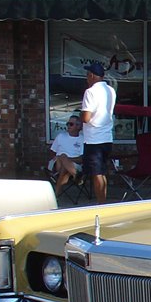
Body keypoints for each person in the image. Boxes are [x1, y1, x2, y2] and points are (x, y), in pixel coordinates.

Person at [79, 60, 116, 204]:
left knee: (96, 174)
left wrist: (81, 115)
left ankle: (101, 205)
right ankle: (103, 201)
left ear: (93, 76)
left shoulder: (90, 92)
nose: (87, 78)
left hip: (94, 138)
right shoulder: (110, 90)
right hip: (107, 137)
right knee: (102, 172)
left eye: (88, 75)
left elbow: (87, 118)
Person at [48, 114, 84, 196]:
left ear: (78, 126)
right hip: (57, 164)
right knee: (63, 156)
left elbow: (82, 159)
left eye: (71, 124)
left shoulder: (82, 139)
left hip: (74, 164)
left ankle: (56, 195)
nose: (68, 126)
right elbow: (52, 152)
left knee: (64, 164)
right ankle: (76, 176)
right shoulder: (61, 136)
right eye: (68, 124)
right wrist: (59, 158)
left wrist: (67, 160)